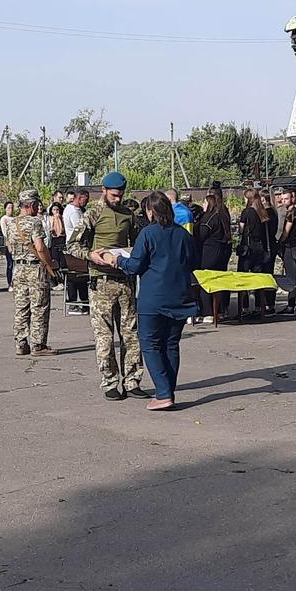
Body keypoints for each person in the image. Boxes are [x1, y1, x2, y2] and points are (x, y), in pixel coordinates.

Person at [107, 192, 197, 411]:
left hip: (153, 298)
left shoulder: (148, 233)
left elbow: (134, 266)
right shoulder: (184, 235)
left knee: (150, 344)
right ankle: (167, 391)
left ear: (150, 211)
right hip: (180, 296)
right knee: (171, 344)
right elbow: (192, 262)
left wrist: (116, 259)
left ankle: (164, 393)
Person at [73, 171, 145, 399]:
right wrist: (90, 255)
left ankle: (132, 381)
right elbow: (72, 244)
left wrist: (133, 256)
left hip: (125, 281)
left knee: (131, 335)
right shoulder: (93, 214)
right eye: (114, 195)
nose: (118, 198)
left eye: (121, 195)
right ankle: (110, 382)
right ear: (103, 190)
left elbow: (138, 243)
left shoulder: (127, 214)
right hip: (101, 282)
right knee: (104, 336)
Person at [10, 191, 56, 356]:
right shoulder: (35, 223)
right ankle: (38, 344)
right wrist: (49, 263)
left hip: (18, 269)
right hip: (35, 269)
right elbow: (40, 247)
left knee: (21, 307)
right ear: (30, 205)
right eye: (36, 204)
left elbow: (9, 247)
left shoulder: (11, 223)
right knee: (39, 307)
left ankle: (21, 343)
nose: (39, 207)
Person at [196, 183, 232, 326]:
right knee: (220, 280)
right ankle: (222, 309)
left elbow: (201, 236)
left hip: (209, 252)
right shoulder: (224, 213)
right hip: (222, 252)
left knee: (206, 280)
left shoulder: (209, 219)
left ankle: (208, 312)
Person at [237, 189, 275, 318]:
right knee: (258, 278)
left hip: (248, 249)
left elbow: (241, 229)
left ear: (248, 199)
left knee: (243, 277)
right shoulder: (263, 212)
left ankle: (244, 307)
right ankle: (260, 306)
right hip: (260, 249)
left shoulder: (247, 212)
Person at [62, 187, 90, 315]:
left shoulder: (76, 209)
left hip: (77, 244)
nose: (87, 202)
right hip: (75, 245)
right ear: (79, 198)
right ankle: (75, 303)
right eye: (85, 199)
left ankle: (84, 303)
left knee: (80, 276)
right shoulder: (73, 211)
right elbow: (79, 228)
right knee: (77, 275)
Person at [0, 201, 18, 290]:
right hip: (9, 244)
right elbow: (5, 233)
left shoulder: (15, 218)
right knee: (10, 264)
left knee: (17, 264)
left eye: (12, 207)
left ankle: (16, 282)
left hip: (17, 244)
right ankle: (9, 283)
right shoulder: (4, 219)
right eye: (9, 208)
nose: (11, 209)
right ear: (5, 209)